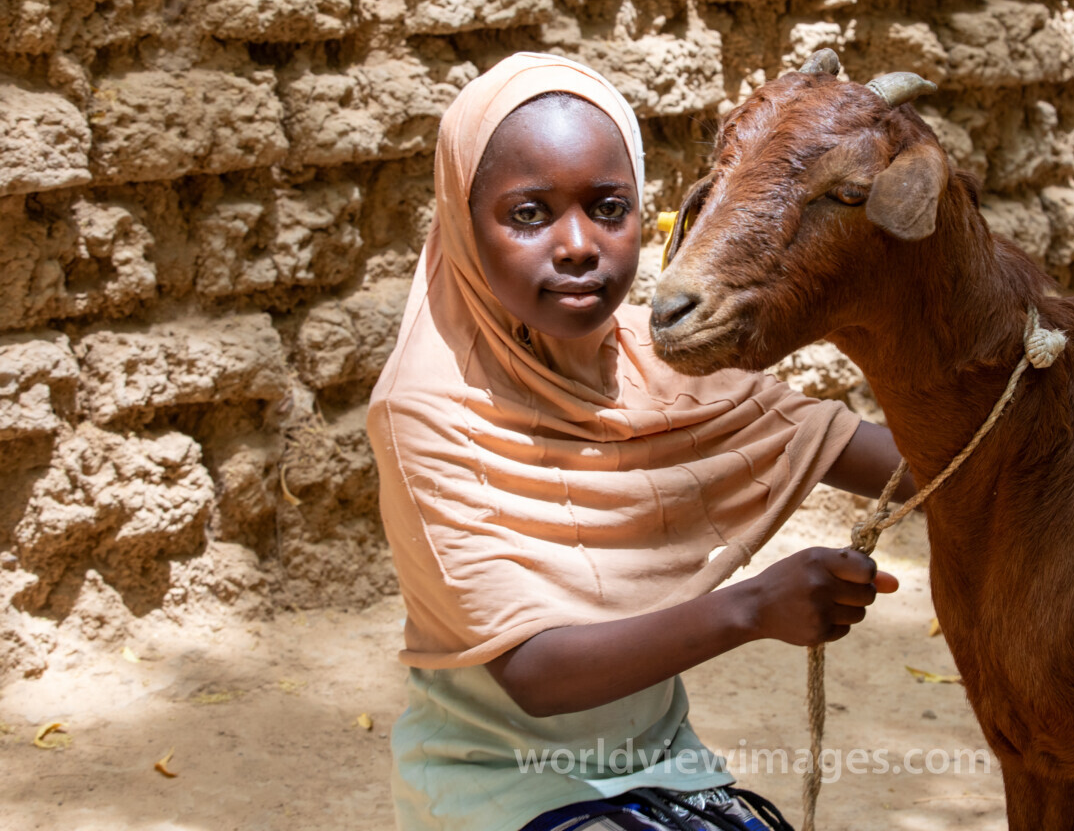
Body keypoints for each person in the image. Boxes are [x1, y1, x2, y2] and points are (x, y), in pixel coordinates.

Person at [368, 52, 913, 831]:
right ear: (461, 224)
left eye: (608, 207)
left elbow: (909, 462)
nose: (579, 245)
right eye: (529, 214)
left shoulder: (664, 364)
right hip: (500, 786)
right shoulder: (428, 411)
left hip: (664, 769)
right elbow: (533, 672)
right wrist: (752, 608)